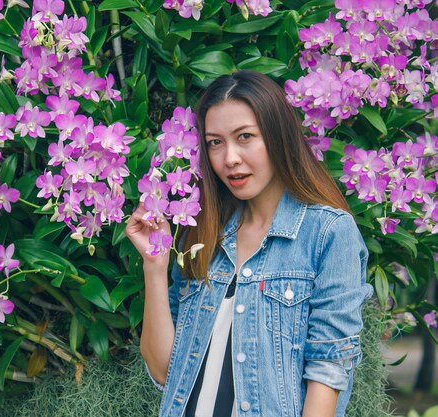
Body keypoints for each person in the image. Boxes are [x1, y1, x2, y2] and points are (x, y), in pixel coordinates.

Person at [125, 70, 373, 417]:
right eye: (215, 142)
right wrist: (154, 265)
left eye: (245, 137)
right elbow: (166, 370)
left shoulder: (328, 233)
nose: (229, 158)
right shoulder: (203, 233)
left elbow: (328, 370)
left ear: (277, 136)